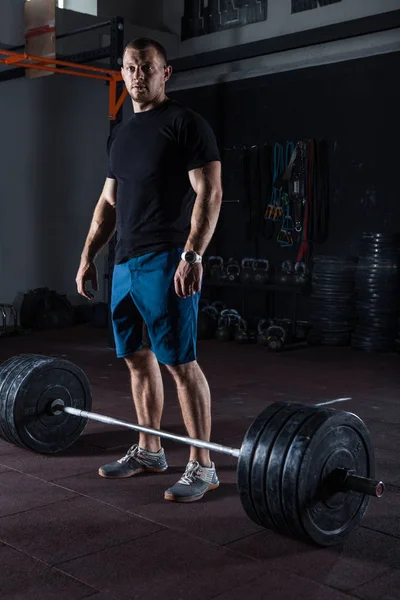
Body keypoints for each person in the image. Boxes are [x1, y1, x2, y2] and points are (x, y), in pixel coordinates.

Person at [75, 37, 223, 503]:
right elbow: (107, 202)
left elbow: (210, 193)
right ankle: (149, 450)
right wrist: (87, 256)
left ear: (166, 72)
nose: (137, 75)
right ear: (122, 73)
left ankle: (203, 465)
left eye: (146, 67)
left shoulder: (186, 125)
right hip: (125, 261)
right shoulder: (120, 133)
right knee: (136, 359)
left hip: (166, 259)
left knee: (180, 363)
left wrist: (192, 255)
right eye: (130, 68)